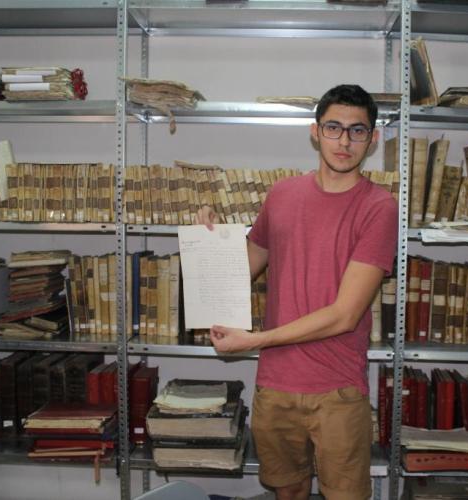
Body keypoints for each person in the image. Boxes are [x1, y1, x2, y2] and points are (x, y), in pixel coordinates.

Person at [194, 84, 398, 500]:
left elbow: (345, 315)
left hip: (338, 389)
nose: (344, 141)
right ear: (315, 132)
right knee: (287, 492)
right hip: (276, 384)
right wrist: (209, 242)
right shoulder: (282, 194)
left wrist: (255, 340)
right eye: (333, 128)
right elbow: (241, 270)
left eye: (357, 131)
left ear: (373, 138)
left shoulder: (380, 208)